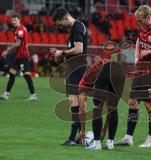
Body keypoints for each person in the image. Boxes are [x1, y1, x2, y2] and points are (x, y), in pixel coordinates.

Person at [116, 5, 151, 148]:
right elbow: (138, 41)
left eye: (140, 21)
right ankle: (128, 138)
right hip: (139, 71)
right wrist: (136, 56)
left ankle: (150, 140)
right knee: (132, 102)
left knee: (150, 104)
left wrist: (150, 52)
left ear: (148, 17)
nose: (139, 24)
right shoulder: (142, 28)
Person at [50, 7, 88, 146]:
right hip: (74, 68)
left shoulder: (77, 27)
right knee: (74, 103)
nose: (60, 26)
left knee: (76, 102)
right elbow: (74, 49)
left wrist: (62, 53)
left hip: (78, 68)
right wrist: (61, 52)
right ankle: (76, 138)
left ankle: (74, 138)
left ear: (66, 18)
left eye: (60, 22)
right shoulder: (75, 28)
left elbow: (79, 49)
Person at [78, 58, 125, 150]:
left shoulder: (82, 84)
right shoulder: (92, 78)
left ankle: (96, 144)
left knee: (97, 107)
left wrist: (82, 131)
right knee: (113, 108)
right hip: (119, 70)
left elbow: (83, 110)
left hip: (104, 69)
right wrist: (104, 130)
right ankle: (110, 143)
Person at [0, 14, 37, 101]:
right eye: (12, 20)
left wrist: (7, 51)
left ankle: (33, 95)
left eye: (15, 20)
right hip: (18, 56)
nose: (13, 22)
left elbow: (18, 43)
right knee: (12, 73)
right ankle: (6, 94)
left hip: (23, 56)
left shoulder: (20, 29)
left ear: (19, 20)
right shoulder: (18, 29)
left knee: (26, 75)